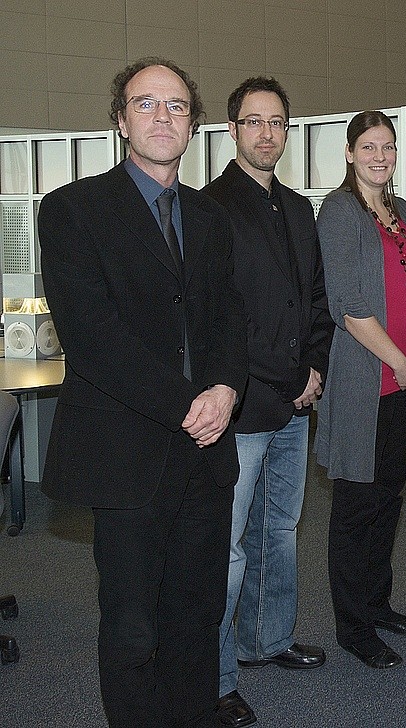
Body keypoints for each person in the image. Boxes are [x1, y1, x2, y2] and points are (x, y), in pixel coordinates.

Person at [37, 57, 247, 727]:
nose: (163, 116)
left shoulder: (210, 218)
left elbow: (229, 320)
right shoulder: (72, 210)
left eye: (177, 105)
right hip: (126, 455)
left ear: (193, 124)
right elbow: (93, 337)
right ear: (121, 121)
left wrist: (226, 389)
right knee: (132, 629)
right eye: (146, 104)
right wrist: (190, 404)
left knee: (197, 618)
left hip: (205, 454)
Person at [203, 77, 334, 727]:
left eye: (276, 122)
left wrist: (315, 367)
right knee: (227, 548)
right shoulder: (209, 208)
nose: (266, 133)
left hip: (293, 403)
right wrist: (277, 377)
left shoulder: (299, 209)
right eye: (253, 121)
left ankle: (266, 639)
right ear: (232, 131)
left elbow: (316, 300)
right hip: (242, 404)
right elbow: (216, 317)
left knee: (278, 532)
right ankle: (215, 677)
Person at [315, 110, 406, 670]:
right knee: (356, 509)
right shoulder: (340, 212)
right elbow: (349, 306)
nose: (380, 157)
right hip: (368, 381)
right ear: (349, 153)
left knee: (388, 501)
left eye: (388, 147)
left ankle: (377, 604)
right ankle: (353, 626)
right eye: (368, 147)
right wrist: (401, 362)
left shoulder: (401, 209)